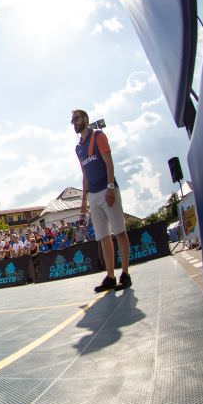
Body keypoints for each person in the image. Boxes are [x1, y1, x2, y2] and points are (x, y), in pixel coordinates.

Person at [72, 109, 131, 292]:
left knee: (119, 231)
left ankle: (126, 274)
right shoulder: (78, 147)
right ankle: (111, 276)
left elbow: (109, 162)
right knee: (103, 237)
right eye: (72, 121)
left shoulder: (98, 136)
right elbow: (84, 177)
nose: (74, 123)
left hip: (107, 189)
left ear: (86, 119)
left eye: (77, 119)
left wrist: (111, 186)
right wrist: (83, 205)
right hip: (93, 195)